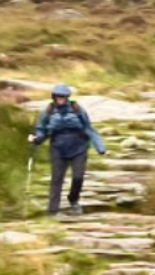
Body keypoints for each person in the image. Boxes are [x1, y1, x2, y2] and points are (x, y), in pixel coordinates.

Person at [28, 82, 106, 216]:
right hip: (58, 147)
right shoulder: (47, 111)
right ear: (54, 96)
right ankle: (52, 211)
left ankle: (73, 199)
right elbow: (42, 130)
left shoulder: (77, 109)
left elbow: (88, 127)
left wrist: (100, 146)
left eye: (63, 96)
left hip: (79, 146)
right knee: (56, 179)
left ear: (67, 96)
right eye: (58, 96)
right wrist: (36, 139)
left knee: (78, 177)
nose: (60, 98)